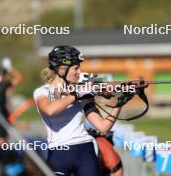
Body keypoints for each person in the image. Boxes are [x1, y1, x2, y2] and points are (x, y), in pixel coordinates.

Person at [33, 46, 122, 176]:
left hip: (85, 150)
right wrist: (77, 95)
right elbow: (50, 110)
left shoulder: (81, 92)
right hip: (58, 153)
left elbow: (103, 127)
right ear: (62, 69)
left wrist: (120, 103)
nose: (80, 72)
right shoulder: (42, 92)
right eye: (76, 68)